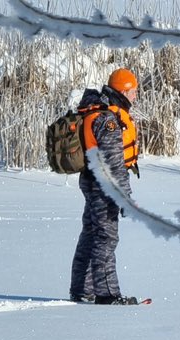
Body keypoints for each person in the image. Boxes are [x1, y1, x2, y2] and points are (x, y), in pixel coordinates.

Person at [69, 68, 141, 305]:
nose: (135, 97)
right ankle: (107, 293)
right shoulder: (108, 120)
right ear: (124, 90)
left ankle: (82, 290)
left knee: (90, 234)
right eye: (133, 92)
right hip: (103, 186)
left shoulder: (96, 111)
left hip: (90, 181)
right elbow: (114, 163)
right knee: (106, 238)